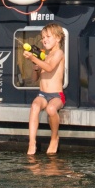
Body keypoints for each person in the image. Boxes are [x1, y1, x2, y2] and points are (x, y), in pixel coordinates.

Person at [22, 24, 66, 156]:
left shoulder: (59, 53)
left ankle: (54, 137)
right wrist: (35, 68)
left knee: (51, 109)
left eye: (48, 37)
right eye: (43, 37)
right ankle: (32, 142)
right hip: (42, 94)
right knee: (35, 106)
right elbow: (35, 78)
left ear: (58, 38)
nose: (44, 40)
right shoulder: (44, 56)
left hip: (56, 95)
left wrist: (33, 58)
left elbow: (50, 68)